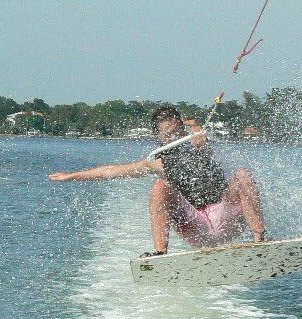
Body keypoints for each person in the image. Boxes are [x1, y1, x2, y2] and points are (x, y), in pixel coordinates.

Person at [49, 106, 266, 256]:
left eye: (178, 132)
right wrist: (72, 175)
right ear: (159, 138)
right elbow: (111, 171)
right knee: (161, 187)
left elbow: (208, 150)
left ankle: (260, 241)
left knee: (243, 175)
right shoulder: (157, 163)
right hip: (196, 227)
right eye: (169, 134)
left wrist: (203, 142)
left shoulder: (201, 146)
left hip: (228, 218)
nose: (175, 137)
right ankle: (161, 253)